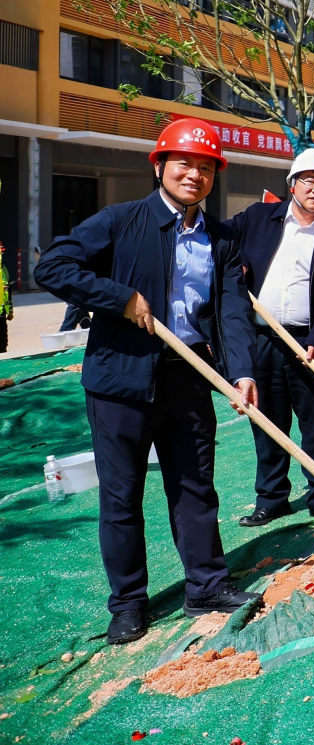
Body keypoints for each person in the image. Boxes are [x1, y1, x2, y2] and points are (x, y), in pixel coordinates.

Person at [35, 118, 260, 646]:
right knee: (121, 496)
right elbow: (54, 267)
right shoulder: (121, 221)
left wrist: (242, 371)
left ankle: (206, 585)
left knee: (194, 488)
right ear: (160, 165)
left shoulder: (220, 238)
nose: (195, 174)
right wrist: (119, 298)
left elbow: (231, 310)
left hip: (187, 378)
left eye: (207, 168)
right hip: (120, 381)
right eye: (185, 163)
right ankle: (129, 604)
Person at [228, 148, 314, 525]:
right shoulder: (256, 218)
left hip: (310, 341)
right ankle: (271, 497)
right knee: (267, 420)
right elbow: (221, 245)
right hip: (262, 338)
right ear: (292, 184)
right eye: (310, 181)